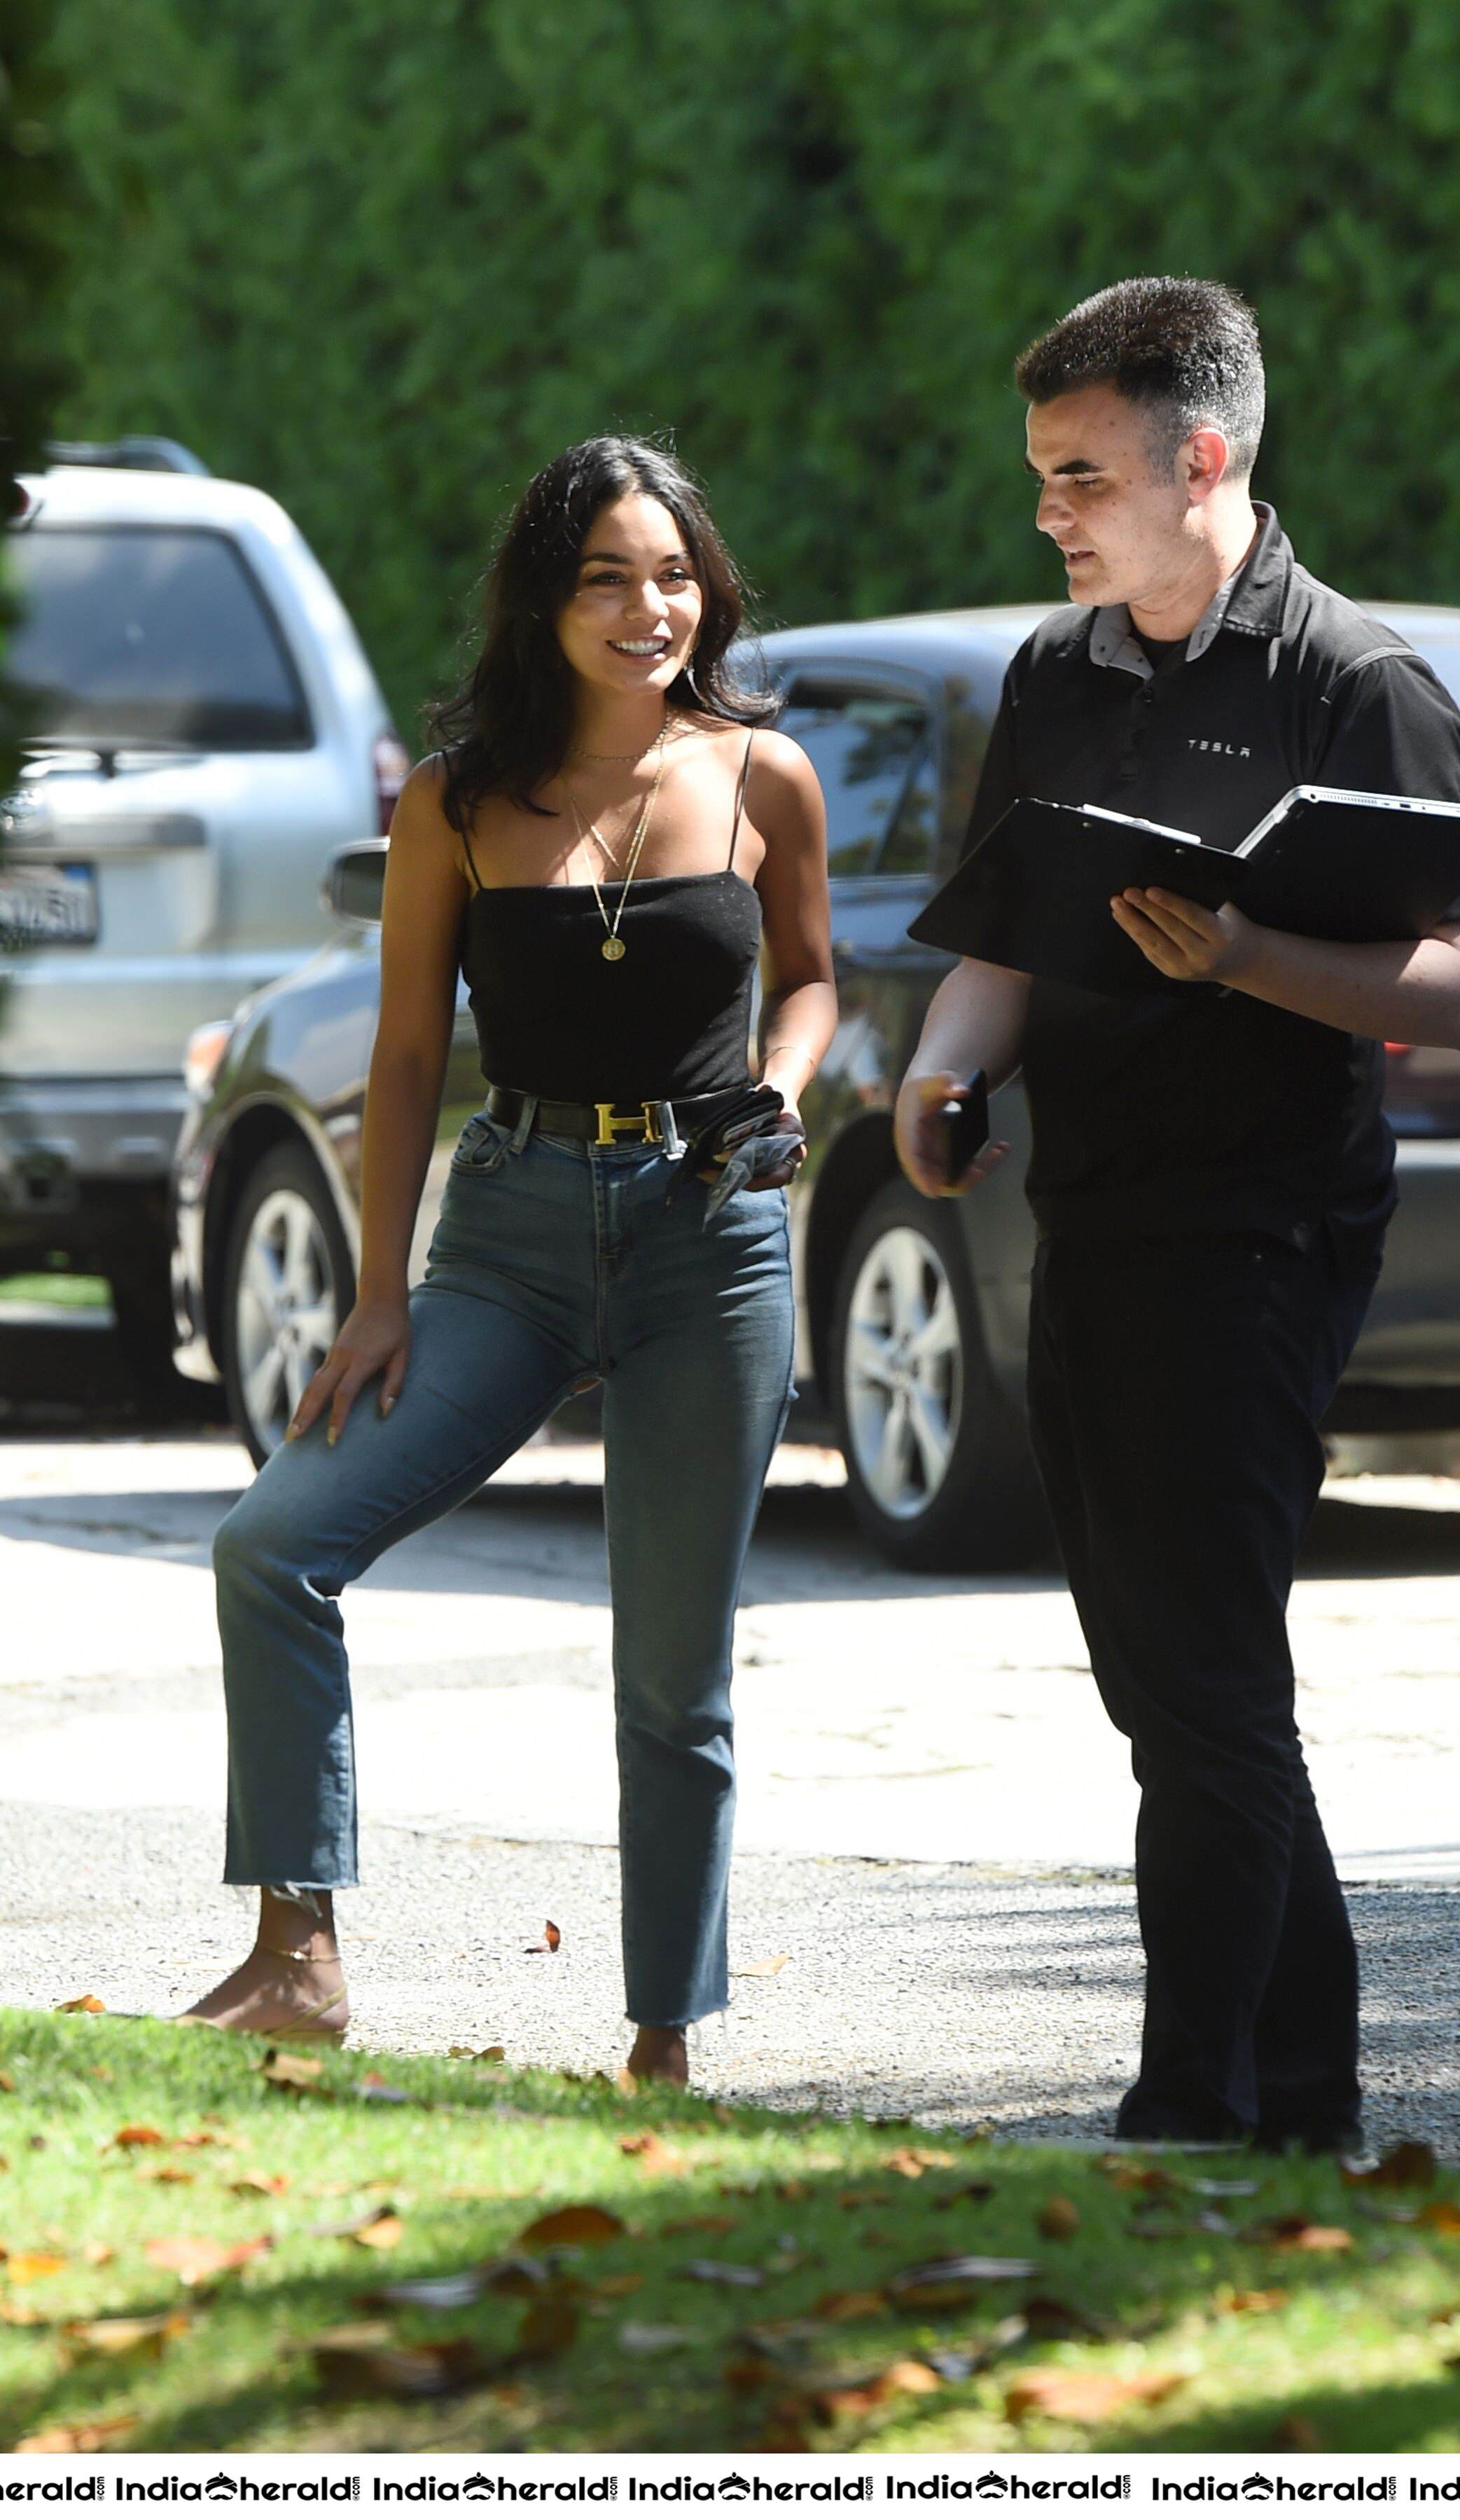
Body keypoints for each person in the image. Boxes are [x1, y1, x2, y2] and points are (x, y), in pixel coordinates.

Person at [894, 279, 1460, 2153]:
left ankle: (1188, 2107)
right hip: (1091, 1212)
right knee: (1166, 1685)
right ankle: (1301, 2098)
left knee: (1211, 1674)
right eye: (1046, 479)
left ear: (1203, 456)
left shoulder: (1361, 684)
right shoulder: (1054, 675)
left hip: (1268, 1230)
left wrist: (1247, 954)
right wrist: (940, 1078)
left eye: (1081, 477)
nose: (1054, 515)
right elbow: (1005, 931)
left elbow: (1459, 990)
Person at [179, 435, 835, 2086]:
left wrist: (787, 1087)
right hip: (513, 1235)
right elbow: (404, 1061)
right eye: (608, 575)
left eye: (674, 572)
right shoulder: (457, 800)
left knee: (673, 1674)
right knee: (278, 1541)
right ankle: (297, 1952)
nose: (648, 606)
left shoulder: (764, 777)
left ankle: (666, 2044)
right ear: (547, 601)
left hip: (709, 1237)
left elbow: (820, 982)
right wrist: (378, 1291)